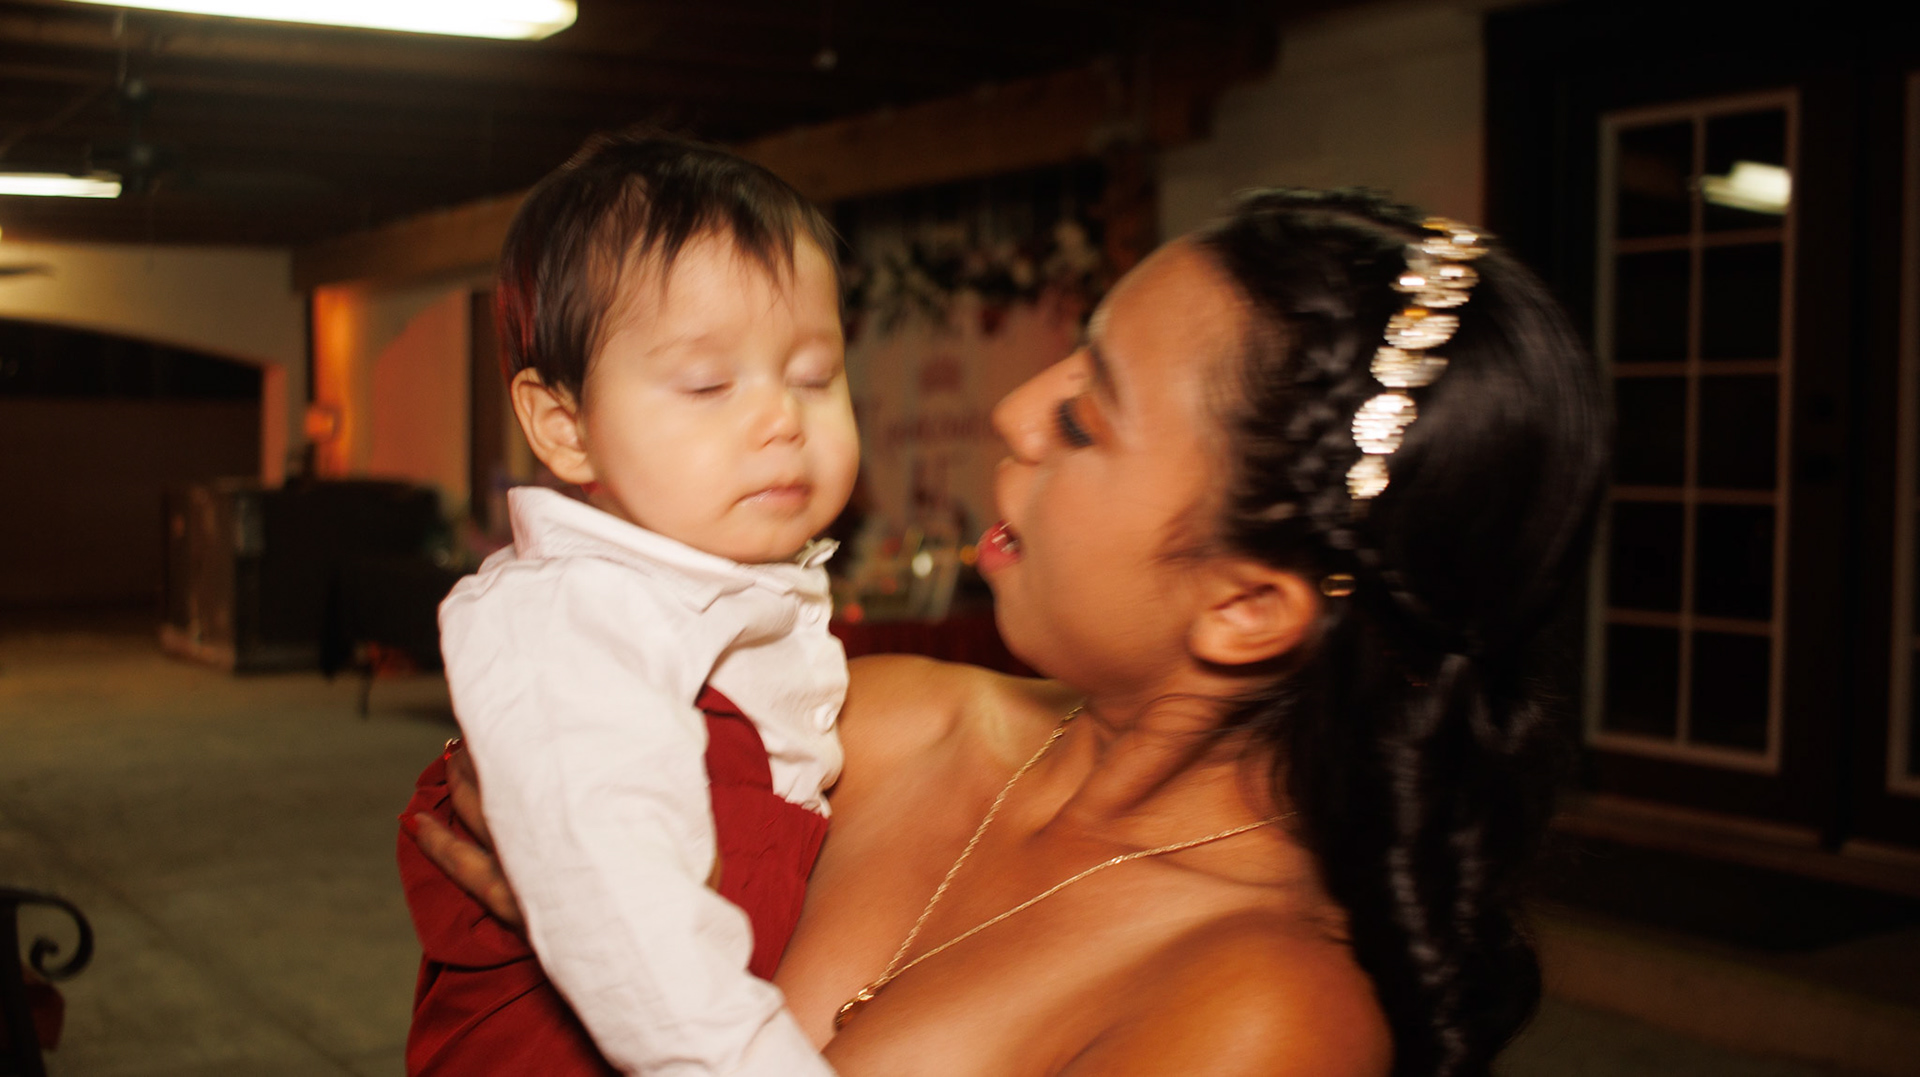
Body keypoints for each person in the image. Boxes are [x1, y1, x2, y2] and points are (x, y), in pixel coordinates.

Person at [412, 188, 1607, 1076]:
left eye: (1086, 418)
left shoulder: (1266, 1009)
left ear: (1245, 606)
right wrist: (579, 905)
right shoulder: (864, 717)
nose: (1014, 411)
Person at [397, 133, 855, 1076]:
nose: (783, 418)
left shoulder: (724, 596)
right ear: (565, 427)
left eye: (815, 376)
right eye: (708, 384)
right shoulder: (575, 614)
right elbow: (632, 931)